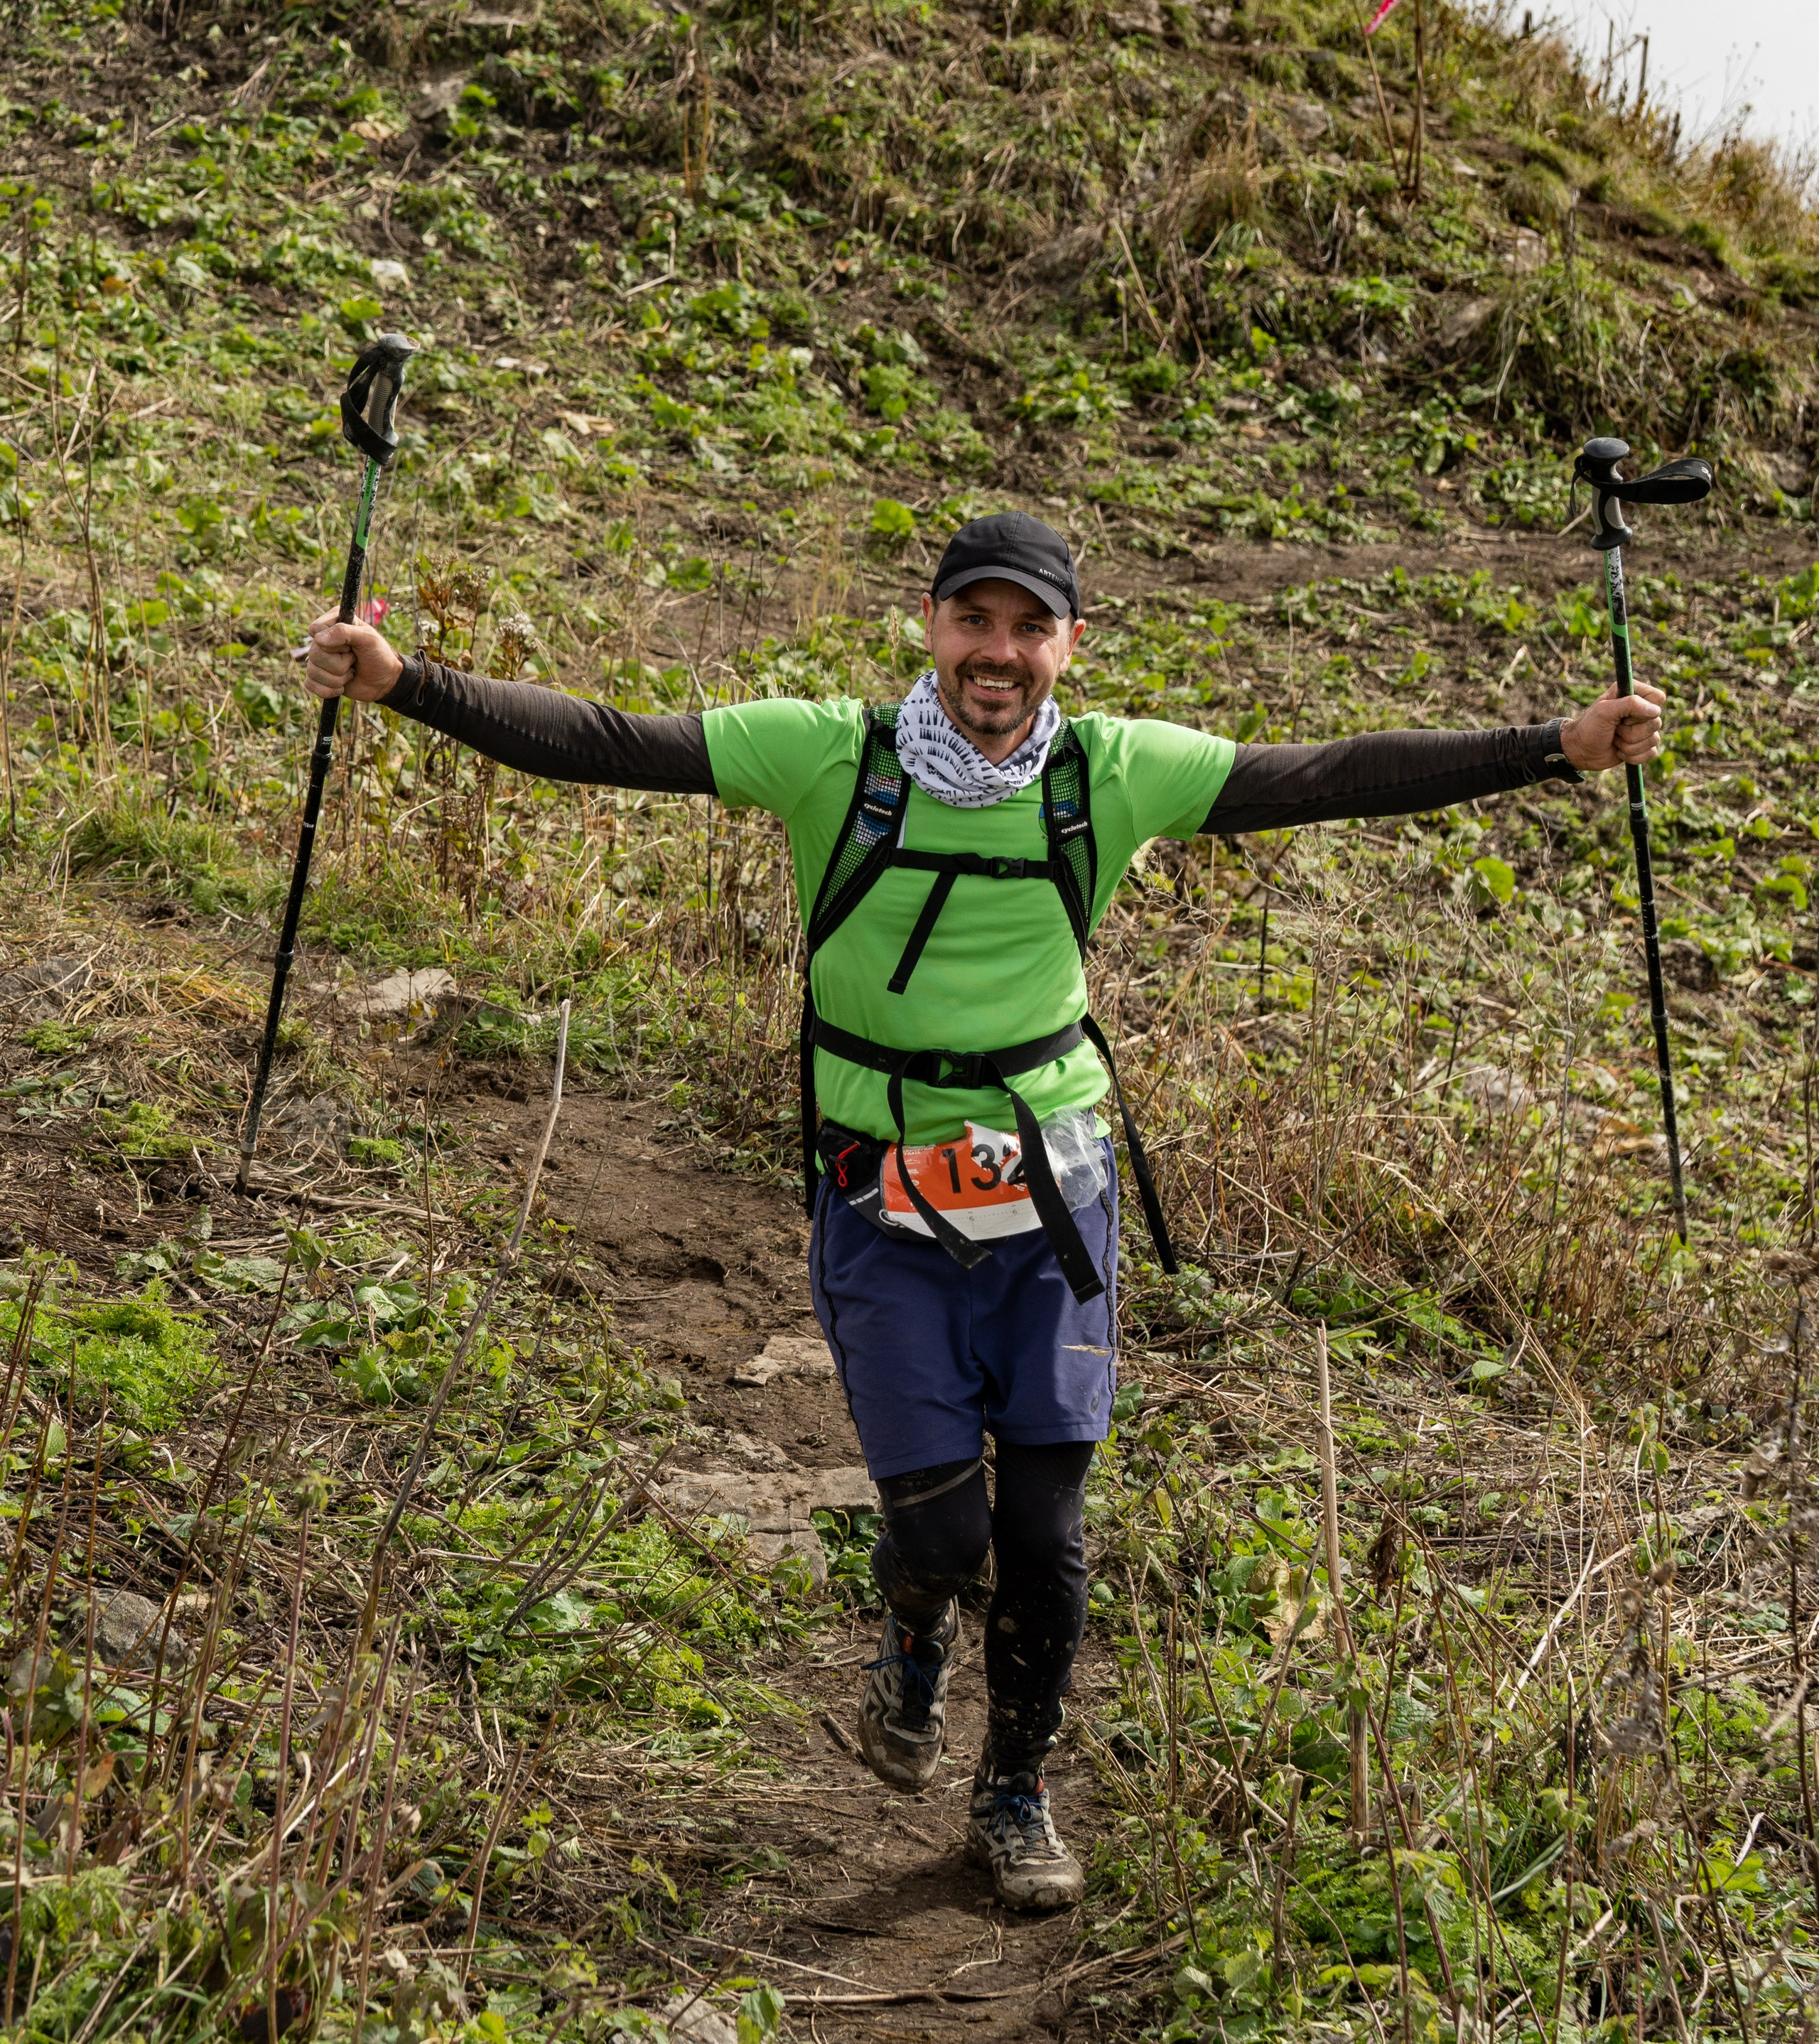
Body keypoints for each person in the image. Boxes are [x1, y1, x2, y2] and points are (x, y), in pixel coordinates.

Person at [303, 511, 1665, 1913]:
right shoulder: (832, 755)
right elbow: (606, 738)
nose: (997, 655)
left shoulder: (1109, 774)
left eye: (1027, 629)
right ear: (931, 626)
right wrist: (408, 684)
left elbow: (1325, 776)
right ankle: (910, 1638)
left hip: (1053, 1204)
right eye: (974, 623)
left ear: (1066, 643)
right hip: (880, 1205)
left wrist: (1547, 746)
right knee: (943, 1539)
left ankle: (1012, 1790)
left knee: (1047, 1538)